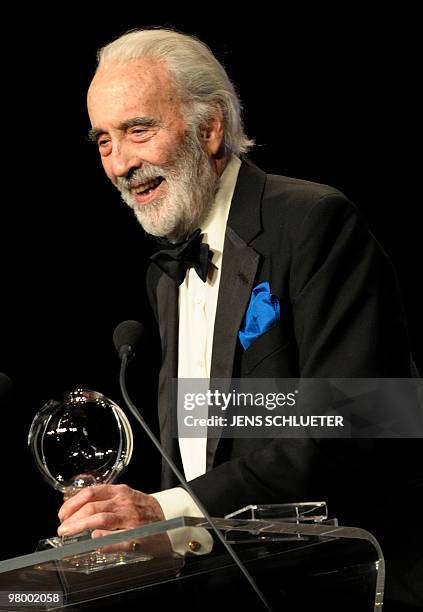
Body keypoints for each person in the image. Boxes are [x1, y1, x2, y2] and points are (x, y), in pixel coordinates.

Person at [57, 27, 421, 606]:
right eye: (103, 140)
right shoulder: (164, 274)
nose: (121, 163)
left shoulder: (312, 221)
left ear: (209, 129)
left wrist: (164, 510)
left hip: (340, 585)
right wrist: (149, 539)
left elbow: (366, 417)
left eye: (138, 130)